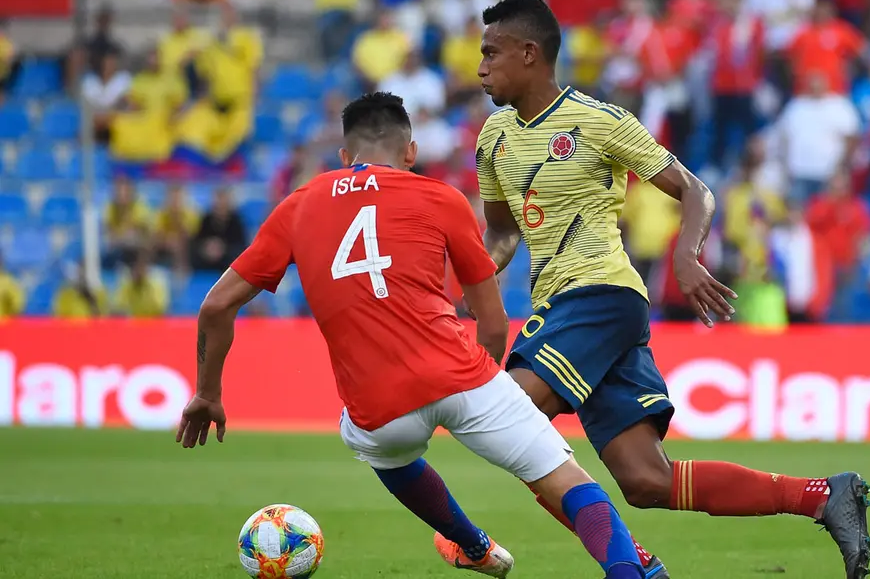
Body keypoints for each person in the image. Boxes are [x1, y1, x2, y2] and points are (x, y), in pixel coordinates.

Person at [473, 0, 870, 579]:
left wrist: (686, 256)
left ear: (529, 54)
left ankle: (626, 564)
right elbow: (504, 233)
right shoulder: (493, 136)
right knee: (646, 480)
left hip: (599, 295)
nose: (480, 68)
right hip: (566, 306)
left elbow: (694, 189)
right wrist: (469, 282)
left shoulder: (597, 120)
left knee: (509, 413)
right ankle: (821, 495)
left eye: (491, 53)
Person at [175, 92, 648, 579]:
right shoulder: (442, 198)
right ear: (411, 152)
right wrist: (478, 395)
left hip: (379, 406)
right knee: (569, 482)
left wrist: (207, 393)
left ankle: (473, 545)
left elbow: (215, 306)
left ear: (344, 156)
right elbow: (491, 322)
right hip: (462, 374)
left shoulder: (298, 205)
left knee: (379, 449)